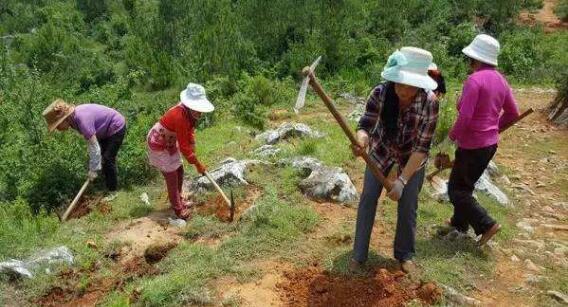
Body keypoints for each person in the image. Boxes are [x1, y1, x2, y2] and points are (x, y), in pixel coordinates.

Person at [350, 47, 439, 273]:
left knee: (408, 205)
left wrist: (402, 182)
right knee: (368, 199)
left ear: (419, 84)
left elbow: (422, 147)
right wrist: (361, 141)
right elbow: (366, 125)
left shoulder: (430, 102)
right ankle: (358, 255)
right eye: (399, 83)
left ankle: (405, 255)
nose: (402, 89)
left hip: (412, 161)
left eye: (408, 85)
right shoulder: (380, 93)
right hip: (379, 155)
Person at [446, 34, 520, 246]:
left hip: (472, 145)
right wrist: (494, 128)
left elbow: (465, 116)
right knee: (465, 186)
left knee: (456, 190)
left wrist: (449, 139)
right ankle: (459, 224)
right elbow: (513, 112)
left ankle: (487, 224)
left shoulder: (474, 80)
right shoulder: (501, 81)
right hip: (489, 145)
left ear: (475, 59)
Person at [147, 83, 213, 220]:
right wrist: (197, 164)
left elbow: (190, 129)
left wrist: (193, 142)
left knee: (179, 170)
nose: (199, 113)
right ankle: (178, 209)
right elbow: (184, 147)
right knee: (171, 176)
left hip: (169, 142)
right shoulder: (180, 116)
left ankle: (179, 199)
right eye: (197, 109)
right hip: (158, 143)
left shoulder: (189, 114)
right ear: (189, 105)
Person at [42, 100, 127, 192]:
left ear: (64, 119)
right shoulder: (73, 119)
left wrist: (93, 170)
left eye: (58, 126)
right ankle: (107, 187)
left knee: (107, 158)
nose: (58, 129)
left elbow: (95, 147)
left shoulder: (81, 119)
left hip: (115, 126)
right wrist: (94, 166)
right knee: (103, 158)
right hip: (104, 131)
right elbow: (92, 144)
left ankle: (112, 191)